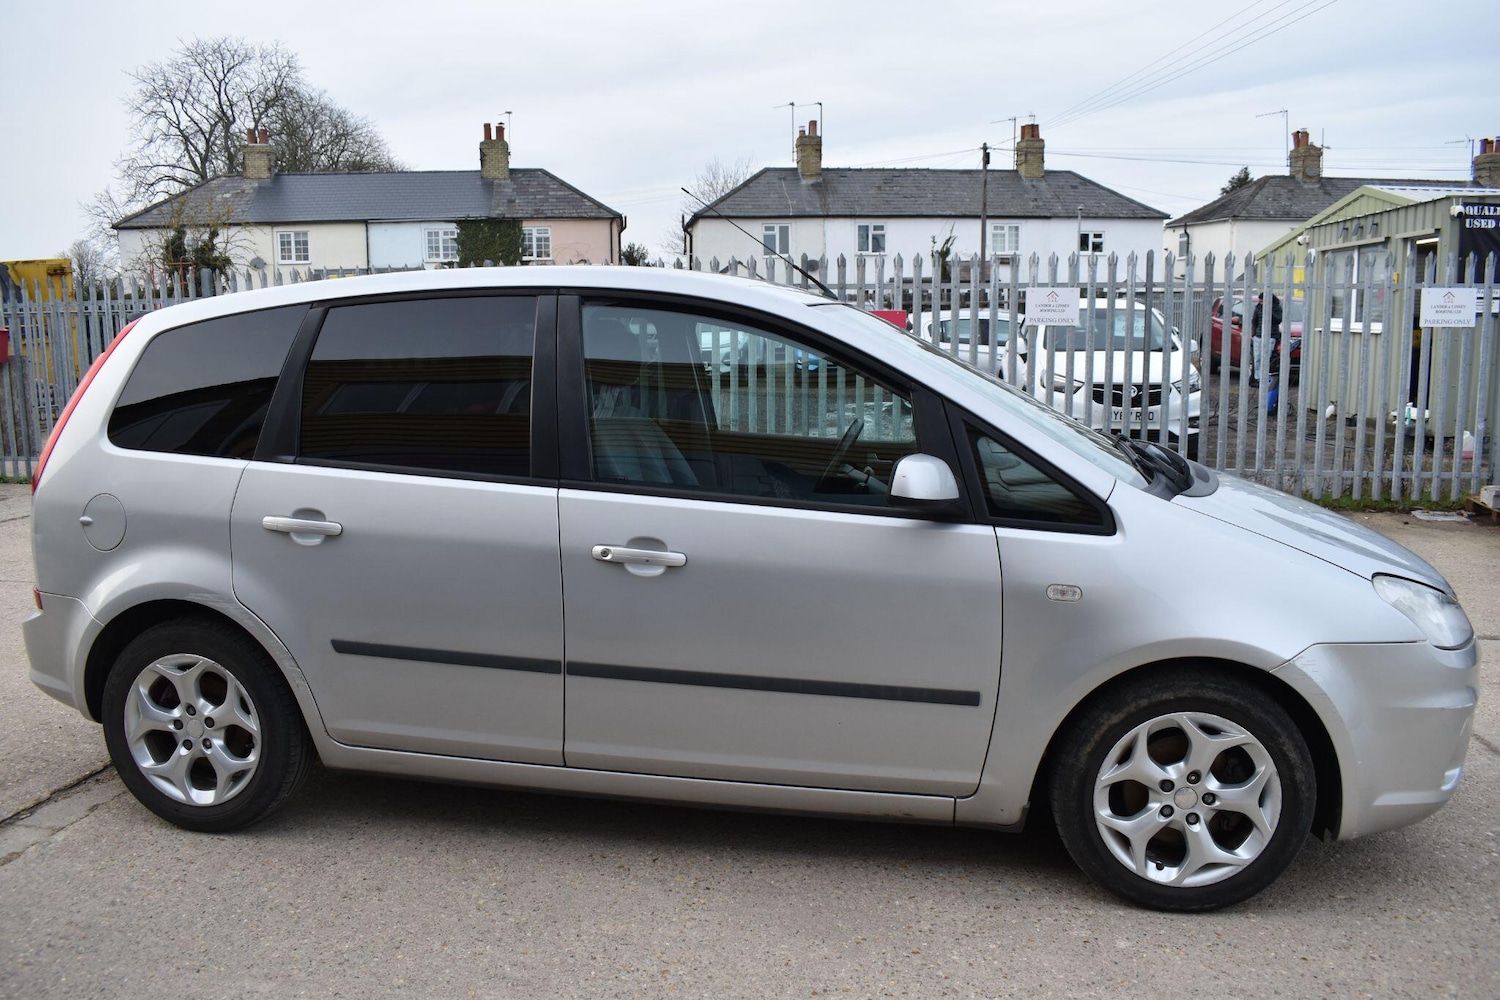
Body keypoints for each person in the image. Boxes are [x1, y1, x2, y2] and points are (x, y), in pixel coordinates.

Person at [1248, 291, 1283, 387]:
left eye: (1262, 301)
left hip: (1271, 336)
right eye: (1260, 302)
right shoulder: (1258, 307)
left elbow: (1278, 320)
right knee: (1257, 358)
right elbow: (1254, 320)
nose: (1261, 303)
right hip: (1258, 336)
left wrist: (1269, 311)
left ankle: (1264, 377)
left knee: (1266, 357)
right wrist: (1253, 334)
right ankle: (1257, 378)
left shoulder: (1276, 308)